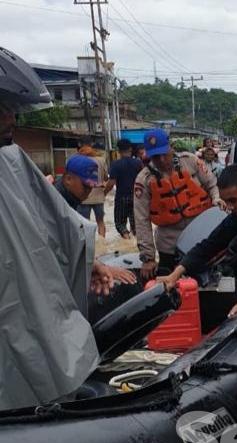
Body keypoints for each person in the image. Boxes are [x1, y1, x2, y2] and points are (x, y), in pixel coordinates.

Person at [0, 46, 133, 410]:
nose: (10, 119)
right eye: (2, 109)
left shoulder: (11, 162)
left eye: (10, 109)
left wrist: (88, 260)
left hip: (27, 314)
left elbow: (50, 226)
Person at [156, 164, 237, 317]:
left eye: (233, 200)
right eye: (226, 201)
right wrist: (176, 274)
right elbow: (209, 245)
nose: (230, 207)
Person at [133, 128, 220, 280]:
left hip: (202, 238)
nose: (161, 160)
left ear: (170, 148)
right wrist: (148, 258)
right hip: (169, 245)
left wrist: (217, 199)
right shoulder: (144, 180)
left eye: (163, 154)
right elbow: (141, 219)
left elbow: (212, 184)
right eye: (155, 157)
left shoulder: (191, 161)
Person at [105, 139, 142, 239]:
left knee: (121, 224)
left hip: (121, 198)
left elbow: (111, 183)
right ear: (130, 149)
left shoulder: (116, 164)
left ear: (119, 150)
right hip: (135, 198)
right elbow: (143, 182)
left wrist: (104, 193)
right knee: (136, 226)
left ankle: (126, 240)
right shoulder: (138, 163)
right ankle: (136, 246)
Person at [74, 136, 108, 237]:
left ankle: (88, 246)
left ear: (80, 145)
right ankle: (102, 244)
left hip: (83, 198)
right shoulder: (101, 159)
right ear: (92, 145)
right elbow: (106, 178)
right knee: (100, 222)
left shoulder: (76, 159)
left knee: (84, 224)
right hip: (98, 197)